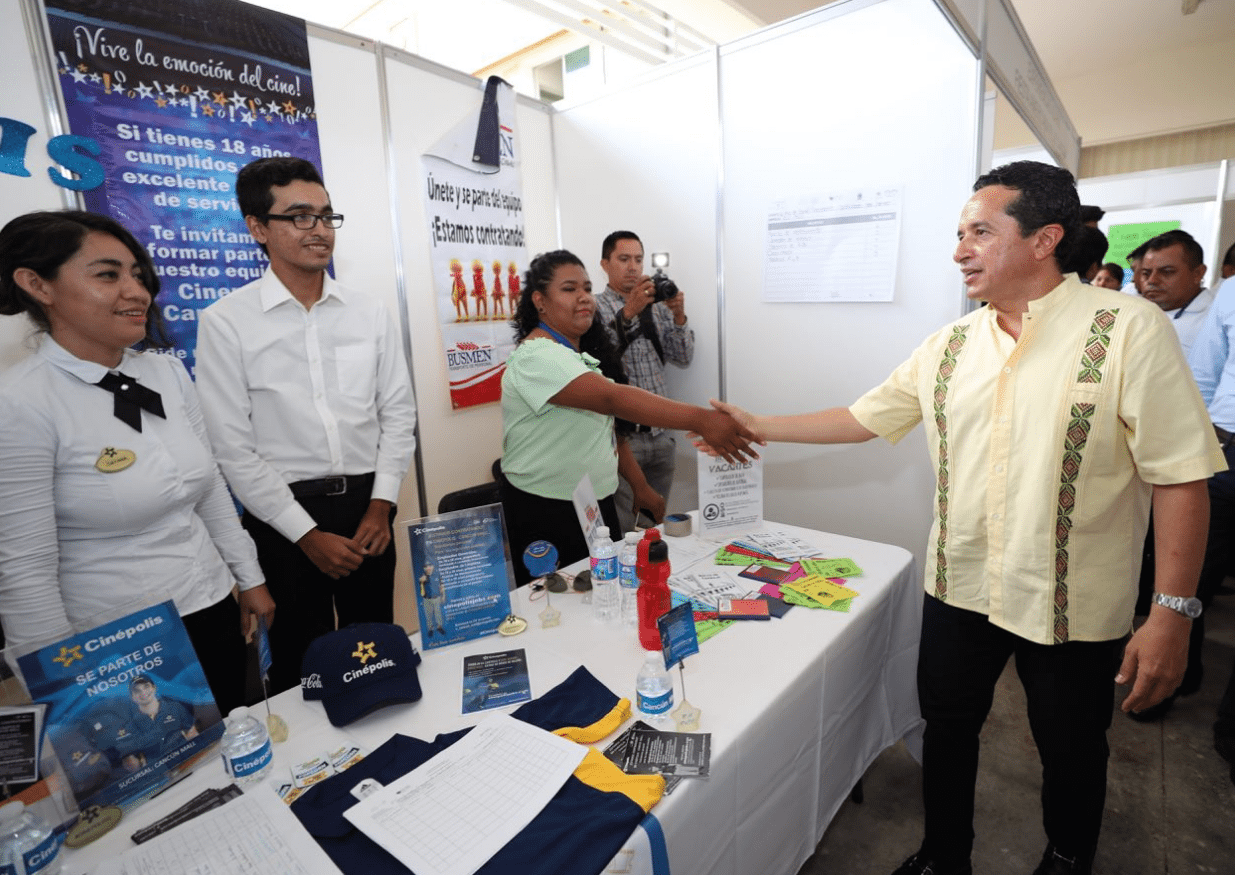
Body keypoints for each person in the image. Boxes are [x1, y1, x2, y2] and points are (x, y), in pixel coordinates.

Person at [698, 162, 1223, 875]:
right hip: (960, 585)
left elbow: (1179, 475)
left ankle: (1067, 857)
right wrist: (757, 423)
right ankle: (944, 855)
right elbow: (862, 417)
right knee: (947, 729)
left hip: (1072, 598)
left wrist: (1171, 613)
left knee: (1071, 746)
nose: (959, 251)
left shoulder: (1129, 329)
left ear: (1044, 240)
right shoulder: (951, 345)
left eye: (979, 232)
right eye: (959, 234)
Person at [0, 210, 274, 713]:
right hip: (118, 644)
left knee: (234, 738)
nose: (136, 291)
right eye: (107, 275)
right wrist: (67, 694)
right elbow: (24, 571)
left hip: (209, 605)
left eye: (138, 276)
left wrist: (249, 577)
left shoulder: (165, 372)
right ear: (37, 285)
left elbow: (208, 488)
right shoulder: (16, 404)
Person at [197, 157, 417, 692]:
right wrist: (307, 534)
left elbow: (398, 413)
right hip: (282, 518)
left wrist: (381, 505)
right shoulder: (227, 321)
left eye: (326, 216)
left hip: (368, 509)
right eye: (300, 216)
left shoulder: (368, 312)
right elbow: (233, 449)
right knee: (303, 669)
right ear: (258, 228)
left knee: (377, 652)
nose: (319, 229)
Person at [501, 249, 756, 585]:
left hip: (592, 502)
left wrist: (639, 485)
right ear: (540, 301)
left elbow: (604, 429)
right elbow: (612, 398)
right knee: (556, 603)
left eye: (587, 288)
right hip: (548, 507)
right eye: (569, 289)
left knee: (602, 591)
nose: (584, 297)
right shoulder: (536, 356)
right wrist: (702, 419)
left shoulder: (573, 355)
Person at [596, 231, 694, 533]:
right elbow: (599, 360)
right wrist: (628, 312)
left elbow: (683, 356)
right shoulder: (594, 308)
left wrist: (678, 317)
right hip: (622, 441)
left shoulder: (658, 306)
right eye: (624, 259)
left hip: (661, 436)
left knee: (656, 524)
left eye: (638, 260)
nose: (633, 267)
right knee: (624, 526)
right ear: (605, 264)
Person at [1186, 266, 1235, 770]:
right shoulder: (1233, 294)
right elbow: (1204, 375)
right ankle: (1179, 673)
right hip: (1227, 451)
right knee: (1198, 576)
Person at [1135, 229, 1214, 356]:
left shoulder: (1218, 321)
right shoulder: (1132, 311)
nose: (1152, 280)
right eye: (1146, 273)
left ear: (1198, 273)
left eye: (1167, 272)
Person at [120, 674, 197, 771]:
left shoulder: (175, 707)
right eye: (137, 691)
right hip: (159, 774)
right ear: (132, 697)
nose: (143, 692)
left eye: (146, 687)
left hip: (190, 763)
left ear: (154, 688)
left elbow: (193, 735)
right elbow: (132, 763)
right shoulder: (131, 727)